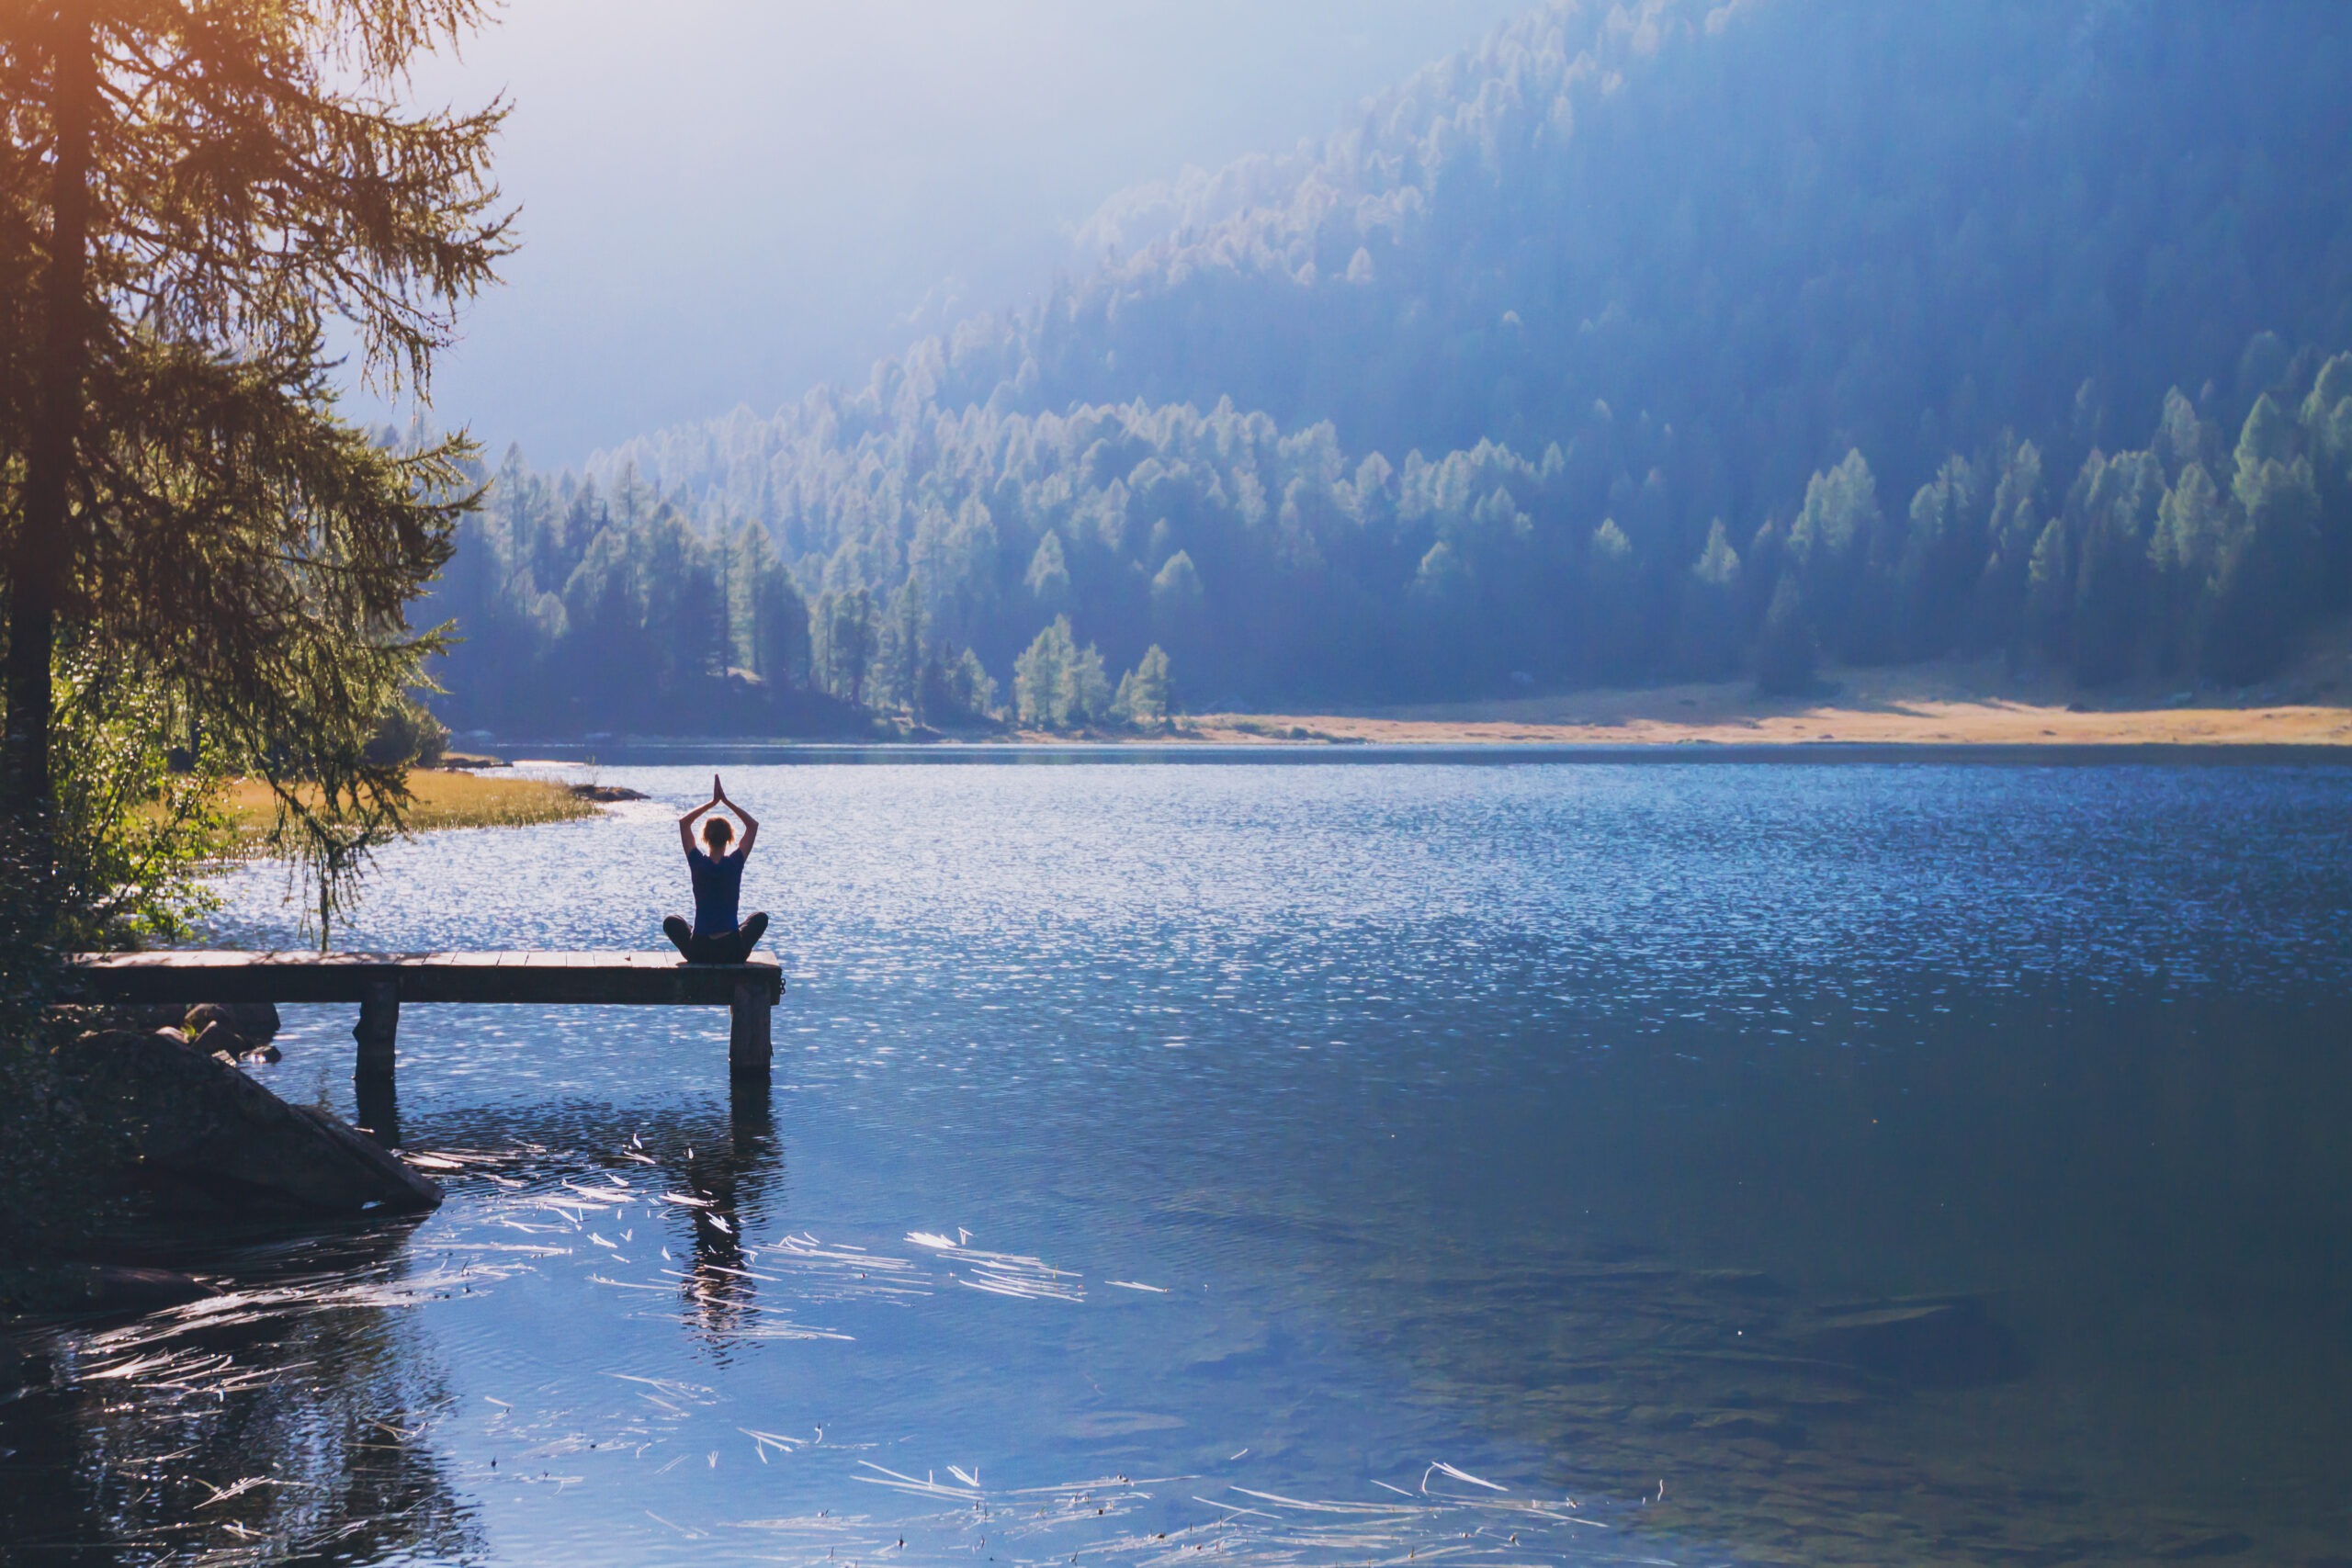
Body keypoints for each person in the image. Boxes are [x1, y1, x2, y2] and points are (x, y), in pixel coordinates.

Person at [664, 775, 770, 964]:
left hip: (699, 950)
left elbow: (683, 823)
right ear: (730, 839)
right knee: (759, 918)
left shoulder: (697, 863)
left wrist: (712, 803)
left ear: (705, 838)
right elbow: (752, 826)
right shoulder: (735, 863)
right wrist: (726, 802)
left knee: (672, 921)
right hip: (732, 950)